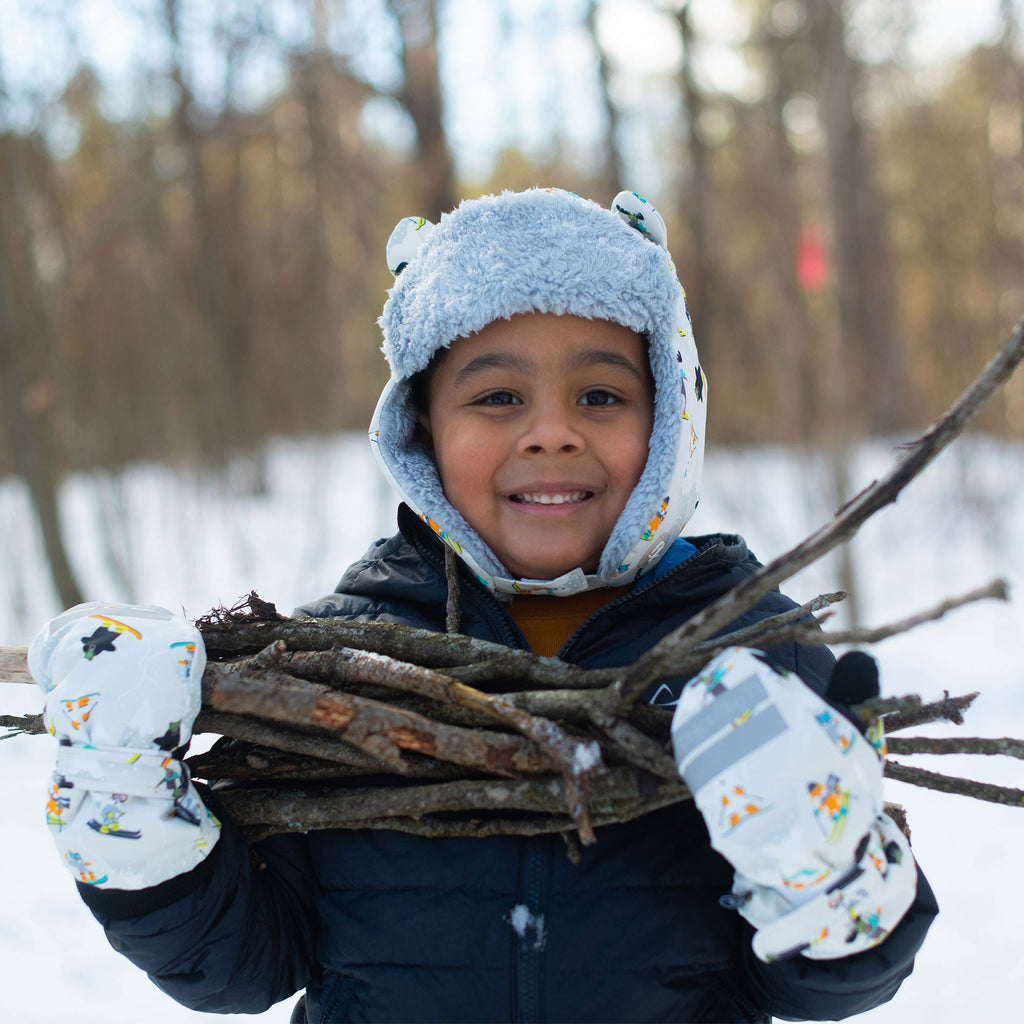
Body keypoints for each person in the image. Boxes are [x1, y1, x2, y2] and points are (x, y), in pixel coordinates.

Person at [30, 188, 937, 1023]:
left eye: (602, 394)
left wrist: (827, 866)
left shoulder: (753, 658)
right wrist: (126, 802)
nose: (551, 430)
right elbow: (239, 965)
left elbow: (830, 985)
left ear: (672, 420)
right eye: (497, 396)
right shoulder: (344, 656)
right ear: (422, 427)